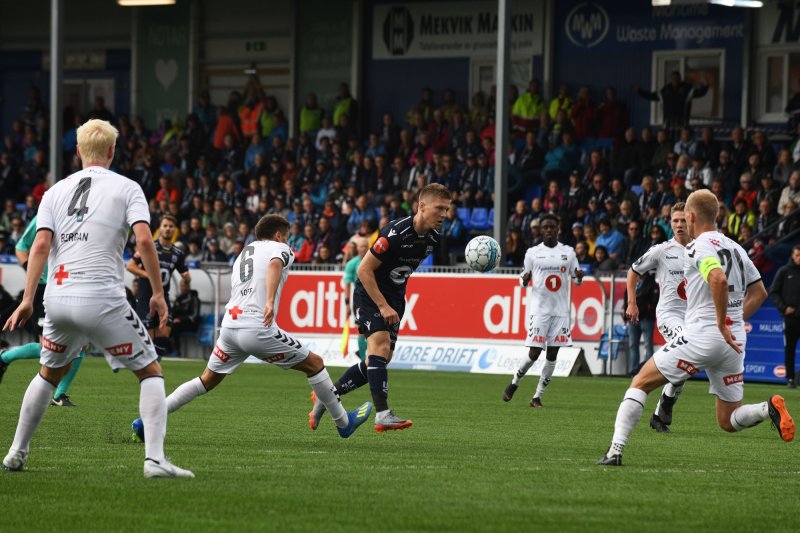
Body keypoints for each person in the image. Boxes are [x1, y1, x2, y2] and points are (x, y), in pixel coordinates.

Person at [1, 119, 193, 477]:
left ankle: (16, 452)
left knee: (47, 374)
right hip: (101, 296)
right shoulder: (128, 187)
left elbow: (40, 245)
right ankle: (154, 460)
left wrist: (27, 298)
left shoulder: (54, 192)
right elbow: (145, 242)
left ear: (77, 152)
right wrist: (159, 295)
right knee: (151, 370)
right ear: (111, 151)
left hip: (57, 297)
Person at [130, 215, 372, 443]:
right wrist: (268, 301)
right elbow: (275, 264)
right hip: (256, 327)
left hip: (230, 327)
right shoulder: (280, 249)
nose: (287, 242)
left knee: (206, 381)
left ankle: (146, 420)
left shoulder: (244, 254)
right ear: (279, 236)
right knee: (316, 364)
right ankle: (343, 422)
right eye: (286, 238)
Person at [598, 189, 794, 467]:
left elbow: (717, 279)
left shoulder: (698, 246)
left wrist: (720, 323)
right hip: (734, 343)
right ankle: (767, 408)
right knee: (727, 420)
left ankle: (615, 451)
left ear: (690, 216)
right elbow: (759, 292)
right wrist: (732, 323)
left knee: (640, 382)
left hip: (705, 333)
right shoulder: (736, 247)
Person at [309, 183, 451, 432]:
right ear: (421, 206)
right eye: (439, 208)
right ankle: (383, 414)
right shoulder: (394, 233)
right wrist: (382, 305)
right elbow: (364, 270)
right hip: (370, 294)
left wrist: (392, 303)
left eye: (447, 210)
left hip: (395, 299)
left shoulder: (433, 239)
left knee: (380, 359)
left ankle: (326, 395)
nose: (444, 214)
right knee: (380, 347)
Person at [0, 215, 86, 406]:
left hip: (71, 287)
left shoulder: (85, 215)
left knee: (79, 344)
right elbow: (21, 247)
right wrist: (33, 271)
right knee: (48, 347)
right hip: (44, 288)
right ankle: (4, 357)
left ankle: (59, 395)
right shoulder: (45, 214)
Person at [502, 214, 584, 407]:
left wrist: (579, 277)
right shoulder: (532, 252)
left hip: (561, 312)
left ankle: (537, 396)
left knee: (553, 354)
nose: (548, 230)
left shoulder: (568, 252)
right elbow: (522, 280)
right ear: (540, 230)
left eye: (552, 227)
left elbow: (577, 280)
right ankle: (515, 381)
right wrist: (525, 279)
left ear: (558, 229)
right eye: (545, 227)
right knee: (534, 353)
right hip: (539, 311)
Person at [627, 203, 691, 432]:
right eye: (675, 221)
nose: (680, 225)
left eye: (684, 220)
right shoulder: (662, 251)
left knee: (686, 366)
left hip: (693, 318)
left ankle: (660, 412)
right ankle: (663, 403)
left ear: (691, 220)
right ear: (670, 223)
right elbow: (633, 272)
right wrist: (632, 303)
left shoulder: (702, 250)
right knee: (686, 350)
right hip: (669, 315)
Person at [126, 214, 191, 358]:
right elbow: (130, 266)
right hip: (145, 297)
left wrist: (187, 278)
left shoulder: (178, 253)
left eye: (171, 226)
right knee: (148, 335)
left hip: (163, 296)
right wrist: (149, 275)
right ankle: (146, 365)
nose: (168, 229)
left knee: (164, 331)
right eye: (165, 226)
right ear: (160, 229)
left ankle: (155, 364)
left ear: (175, 230)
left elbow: (185, 274)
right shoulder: (149, 247)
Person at [635, 71, 710, 137]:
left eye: (677, 78)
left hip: (682, 125)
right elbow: (651, 96)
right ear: (671, 79)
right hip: (668, 125)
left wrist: (705, 86)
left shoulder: (686, 89)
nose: (675, 79)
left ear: (680, 78)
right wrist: (640, 91)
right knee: (669, 146)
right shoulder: (665, 90)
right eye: (673, 78)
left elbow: (700, 93)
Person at [769, 245, 800, 388]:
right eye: (797, 255)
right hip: (791, 318)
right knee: (790, 348)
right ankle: (790, 379)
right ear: (792, 256)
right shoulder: (784, 271)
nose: (799, 258)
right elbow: (774, 292)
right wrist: (784, 308)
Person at [342, 237, 369, 361]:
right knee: (362, 330)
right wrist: (347, 304)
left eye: (365, 246)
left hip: (373, 298)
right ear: (357, 248)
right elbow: (346, 284)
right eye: (361, 246)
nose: (363, 248)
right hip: (360, 300)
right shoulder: (352, 264)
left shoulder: (373, 261)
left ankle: (363, 353)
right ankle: (363, 359)